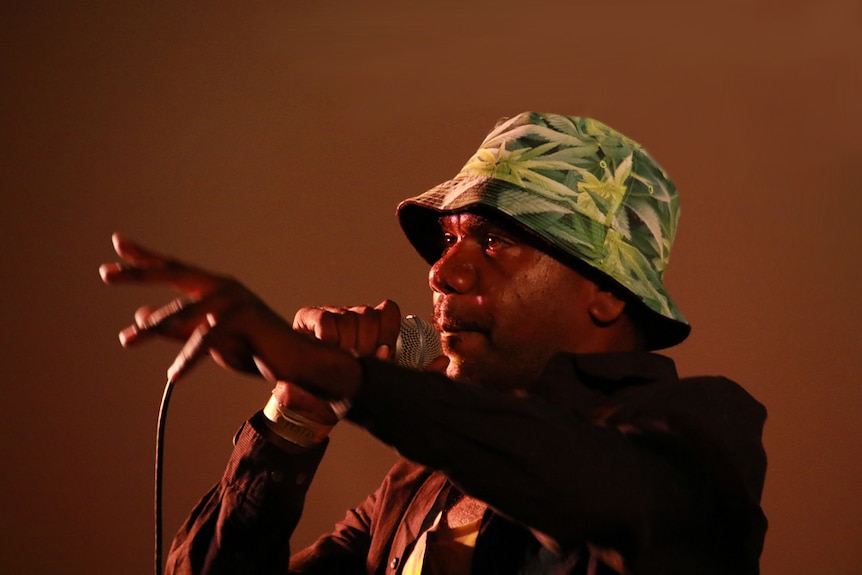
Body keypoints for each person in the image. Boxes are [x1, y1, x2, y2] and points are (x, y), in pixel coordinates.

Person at [101, 112, 768, 574]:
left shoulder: (703, 428)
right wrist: (298, 409)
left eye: (497, 239)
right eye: (448, 240)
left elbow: (588, 482)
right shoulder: (416, 487)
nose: (443, 271)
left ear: (609, 292)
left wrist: (351, 378)